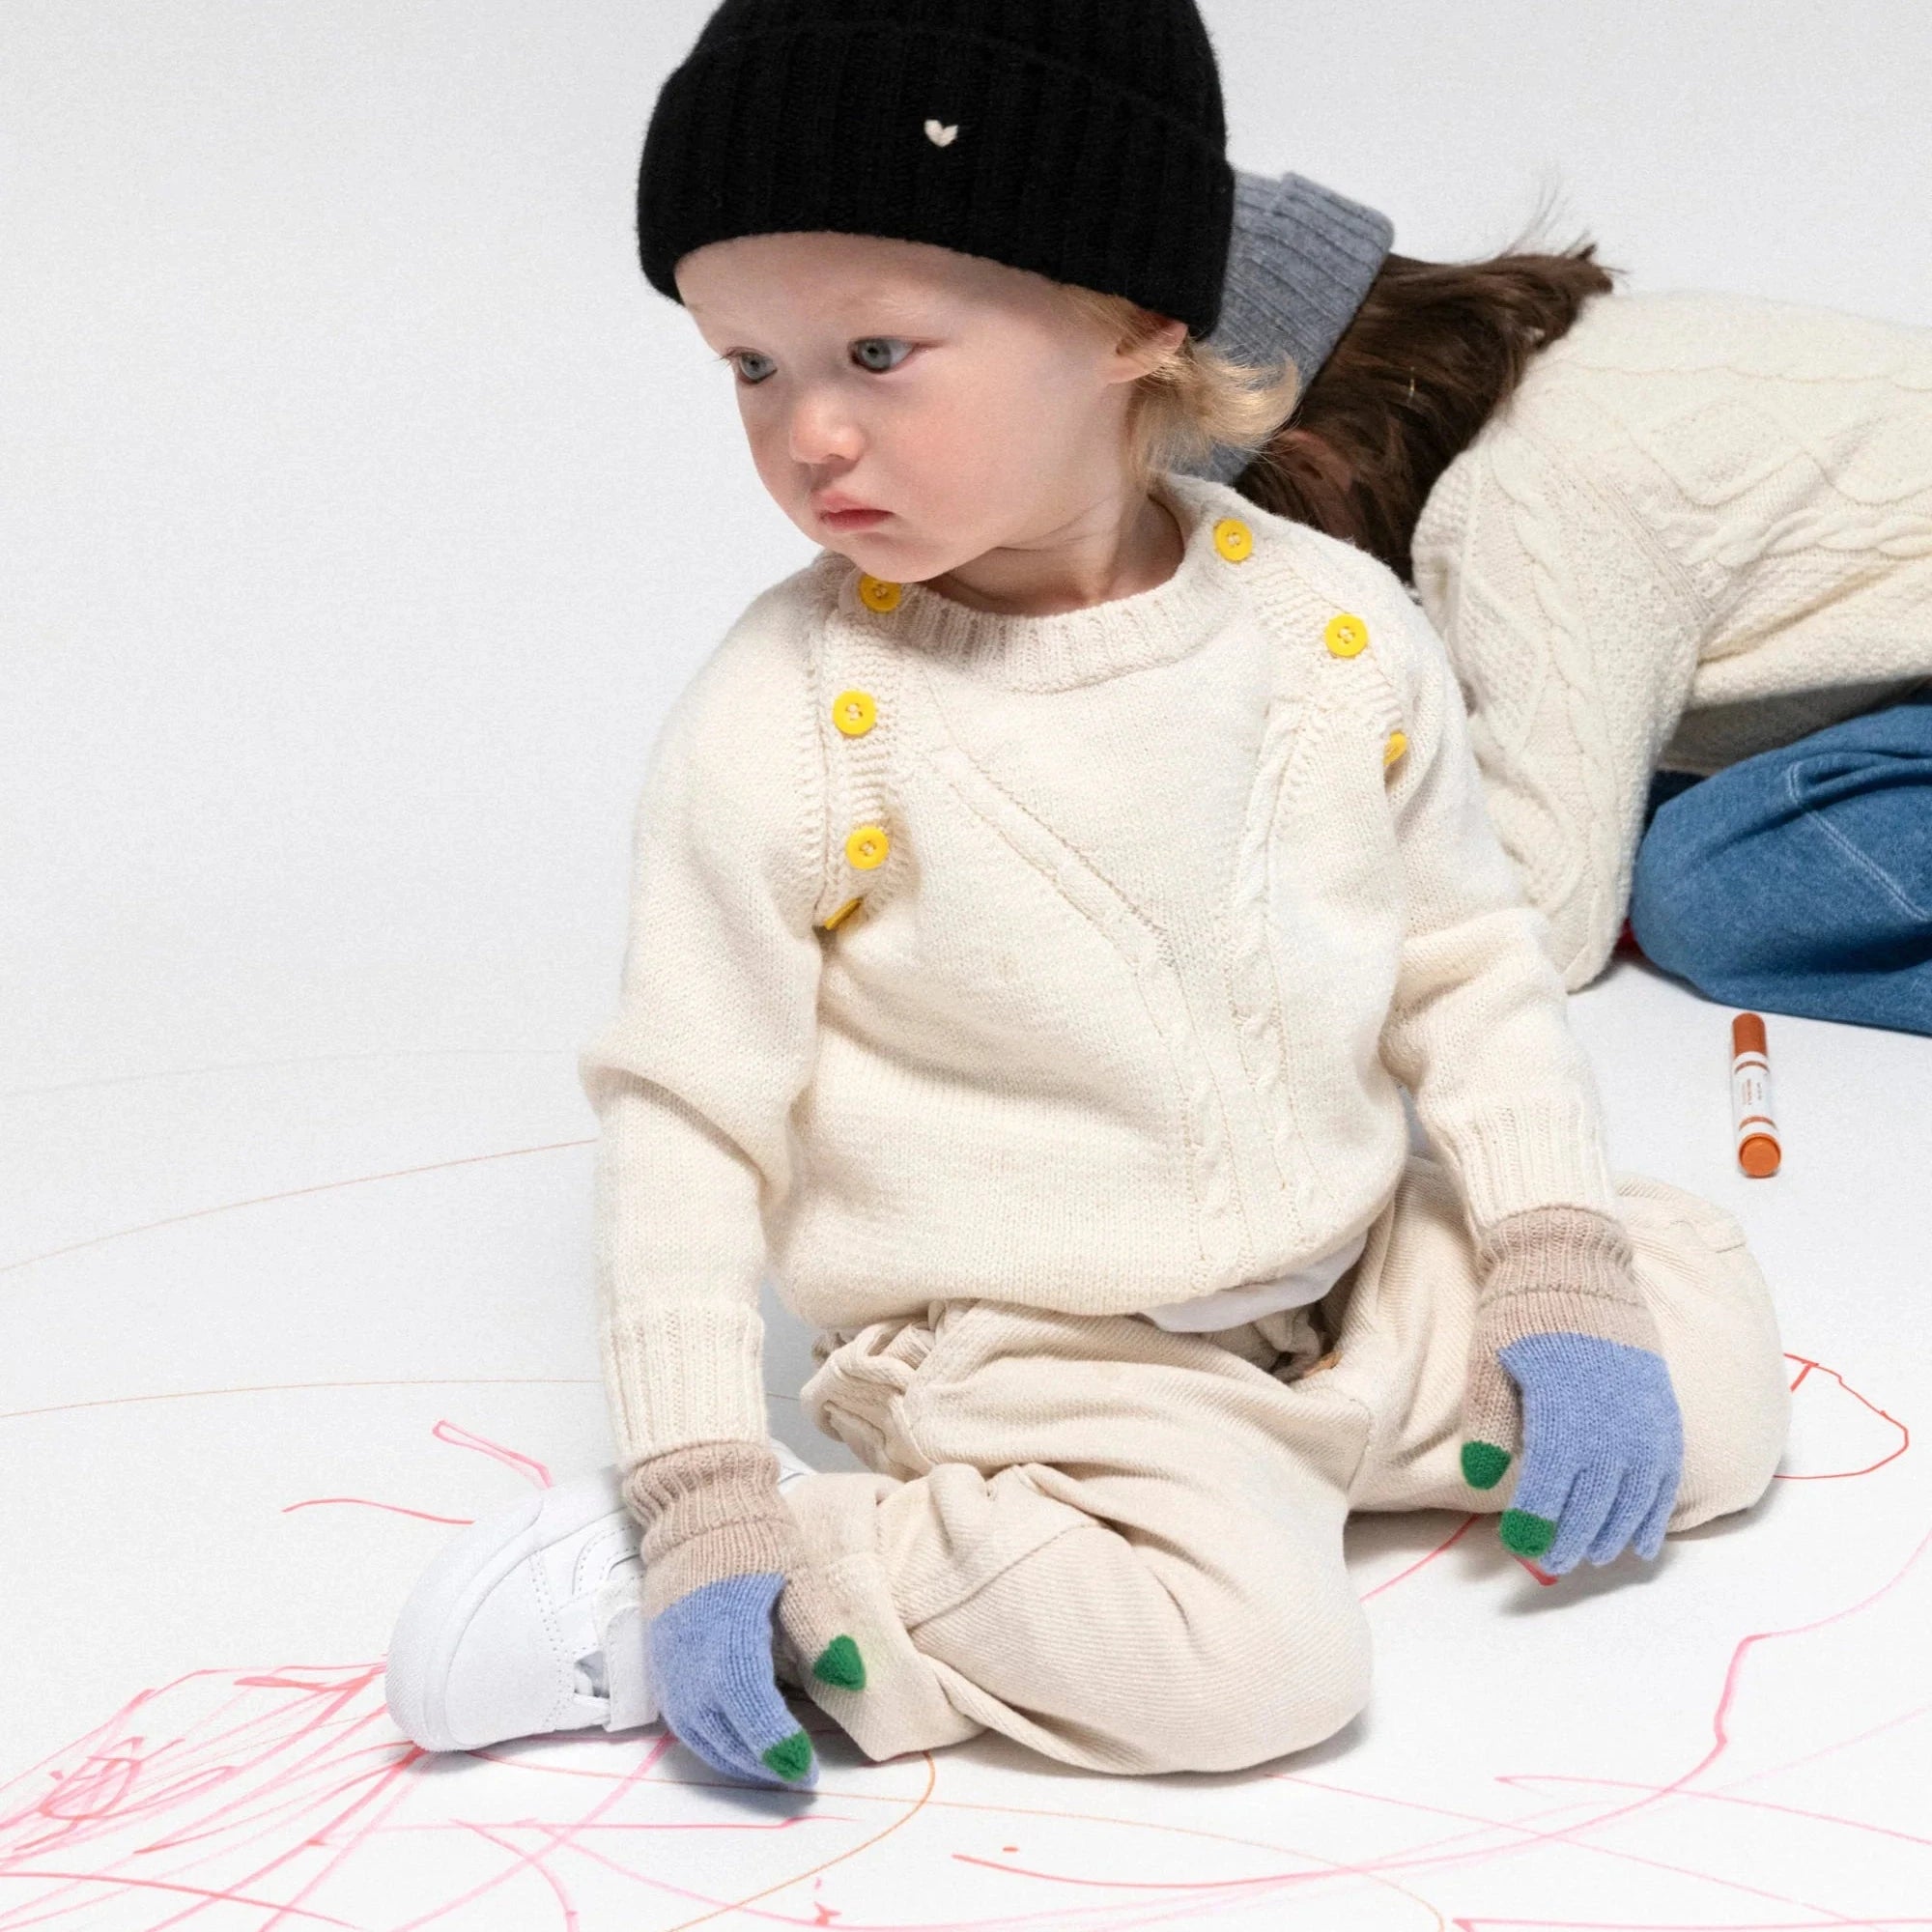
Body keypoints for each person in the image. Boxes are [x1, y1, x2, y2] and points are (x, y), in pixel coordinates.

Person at [384, 0, 1789, 1790]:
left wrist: (1553, 1262)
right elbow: (688, 1117)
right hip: (1037, 1334)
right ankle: (790, 1578)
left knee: (1704, 1376)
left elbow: (1465, 963)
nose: (808, 436)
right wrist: (698, 1485)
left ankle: (1274, 1465)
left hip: (1342, 1274)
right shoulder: (793, 716)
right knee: (1251, 1675)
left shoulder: (1330, 626)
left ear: (1138, 319)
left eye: (876, 351)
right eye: (749, 367)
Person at [1191, 174, 1932, 1032]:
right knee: (1648, 807)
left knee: (1706, 884)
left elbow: (1551, 919)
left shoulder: (1527, 500)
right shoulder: (1577, 375)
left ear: (1312, 468)